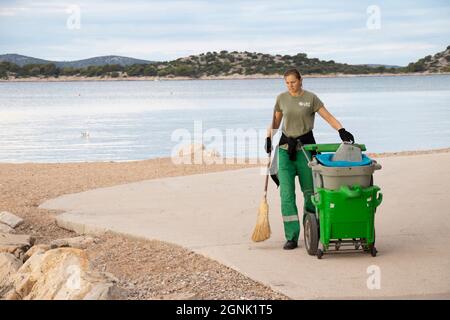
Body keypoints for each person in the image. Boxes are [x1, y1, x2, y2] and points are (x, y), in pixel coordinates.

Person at [265, 68, 355, 250]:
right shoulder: (281, 98)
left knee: (310, 193)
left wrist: (341, 130)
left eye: (293, 82)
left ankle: (311, 229)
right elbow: (275, 122)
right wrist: (268, 137)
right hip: (284, 151)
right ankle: (291, 236)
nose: (290, 85)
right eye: (287, 83)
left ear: (300, 81)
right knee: (287, 195)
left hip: (306, 151)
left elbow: (328, 116)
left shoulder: (311, 98)